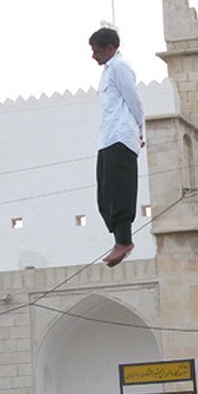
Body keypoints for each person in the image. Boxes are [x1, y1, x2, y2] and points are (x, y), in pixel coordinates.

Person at [89, 27, 145, 267]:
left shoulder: (120, 68)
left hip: (122, 136)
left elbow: (133, 99)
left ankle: (124, 240)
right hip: (107, 138)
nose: (94, 56)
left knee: (119, 192)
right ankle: (118, 239)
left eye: (97, 50)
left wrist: (140, 129)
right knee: (104, 196)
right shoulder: (107, 72)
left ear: (111, 48)